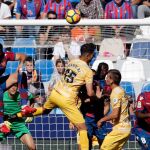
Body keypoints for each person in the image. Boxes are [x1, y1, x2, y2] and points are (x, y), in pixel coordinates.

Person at [28, 43, 102, 150]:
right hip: (67, 98)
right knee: (83, 128)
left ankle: (20, 114)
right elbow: (90, 93)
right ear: (89, 55)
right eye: (93, 55)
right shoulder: (87, 71)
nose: (93, 57)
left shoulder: (72, 62)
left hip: (55, 92)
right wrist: (97, 97)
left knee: (44, 110)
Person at [97, 69, 131, 150]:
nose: (105, 79)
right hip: (125, 127)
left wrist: (101, 120)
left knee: (103, 148)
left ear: (111, 80)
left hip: (121, 129)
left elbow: (115, 114)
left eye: (107, 77)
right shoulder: (121, 90)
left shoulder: (115, 92)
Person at [0, 83, 36, 150]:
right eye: (11, 85)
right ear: (7, 87)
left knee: (32, 147)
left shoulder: (22, 95)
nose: (13, 88)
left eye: (15, 86)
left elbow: (32, 98)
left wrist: (30, 113)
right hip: (5, 123)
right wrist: (2, 121)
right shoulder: (2, 95)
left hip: (18, 124)